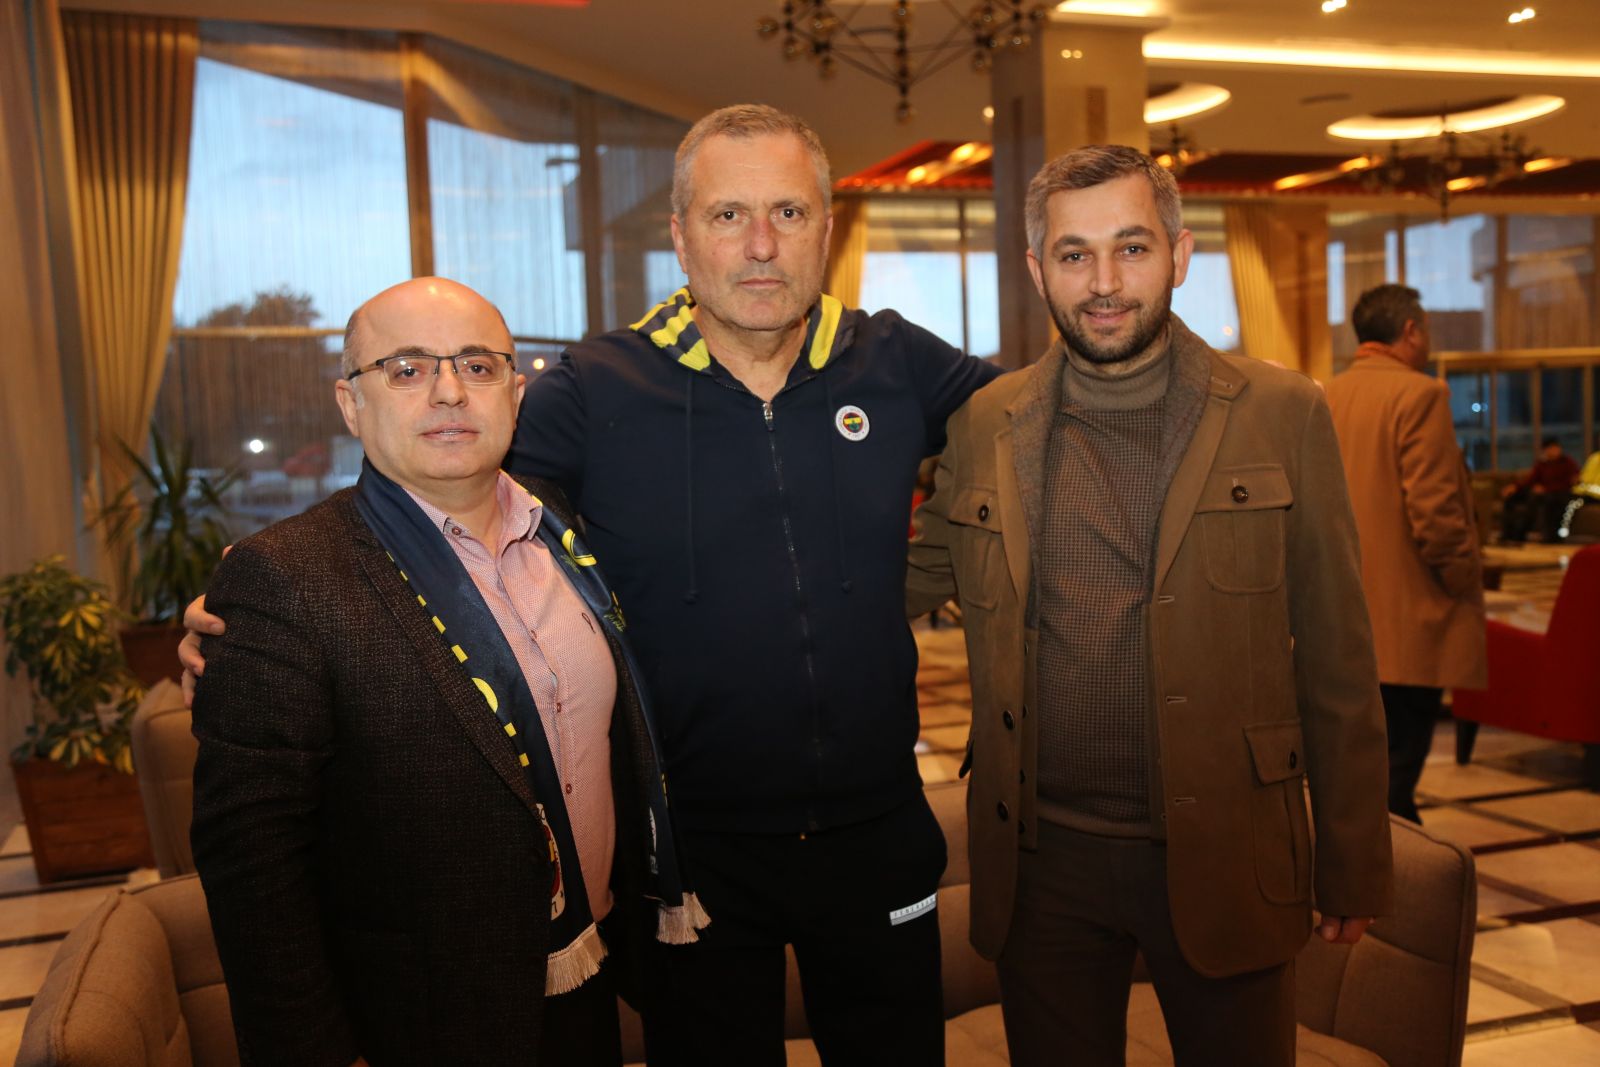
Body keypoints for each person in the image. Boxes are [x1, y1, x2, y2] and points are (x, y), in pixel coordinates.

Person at [184, 105, 999, 1066]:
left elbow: (1034, 425)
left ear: (827, 225)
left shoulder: (896, 359)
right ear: (682, 236)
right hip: (689, 856)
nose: (761, 244)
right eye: (728, 215)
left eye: (788, 211)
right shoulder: (599, 387)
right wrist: (279, 593)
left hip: (879, 830)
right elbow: (437, 467)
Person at [906, 145, 1393, 1067]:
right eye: (1074, 254)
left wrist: (1354, 856)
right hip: (1041, 864)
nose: (1103, 282)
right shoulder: (984, 422)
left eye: (1131, 248)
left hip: (1228, 849)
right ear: (1037, 269)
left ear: (1180, 253)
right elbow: (898, 580)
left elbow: (1338, 652)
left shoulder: (1282, 411)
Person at [188, 277, 704, 1067]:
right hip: (421, 1019)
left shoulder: (563, 528)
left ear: (515, 393)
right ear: (350, 403)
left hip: (589, 967)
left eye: (477, 365)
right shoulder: (287, 578)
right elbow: (251, 863)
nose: (450, 391)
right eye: (406, 369)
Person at [1325, 284, 1486, 823]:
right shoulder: (1420, 395)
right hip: (1410, 618)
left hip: (1343, 618)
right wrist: (1464, 578)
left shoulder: (1328, 395)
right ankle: (1394, 873)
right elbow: (1436, 513)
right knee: (1398, 777)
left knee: (1363, 771)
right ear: (1411, 331)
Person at [1500, 436, 1580, 542]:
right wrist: (1515, 487)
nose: (1553, 451)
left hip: (1558, 494)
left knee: (1540, 499)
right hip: (1541, 493)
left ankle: (1524, 534)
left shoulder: (1568, 463)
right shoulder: (1542, 464)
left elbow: (1569, 483)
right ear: (1545, 450)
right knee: (1512, 498)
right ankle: (1508, 534)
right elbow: (1530, 481)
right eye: (1550, 448)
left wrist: (1546, 489)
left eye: (1555, 448)